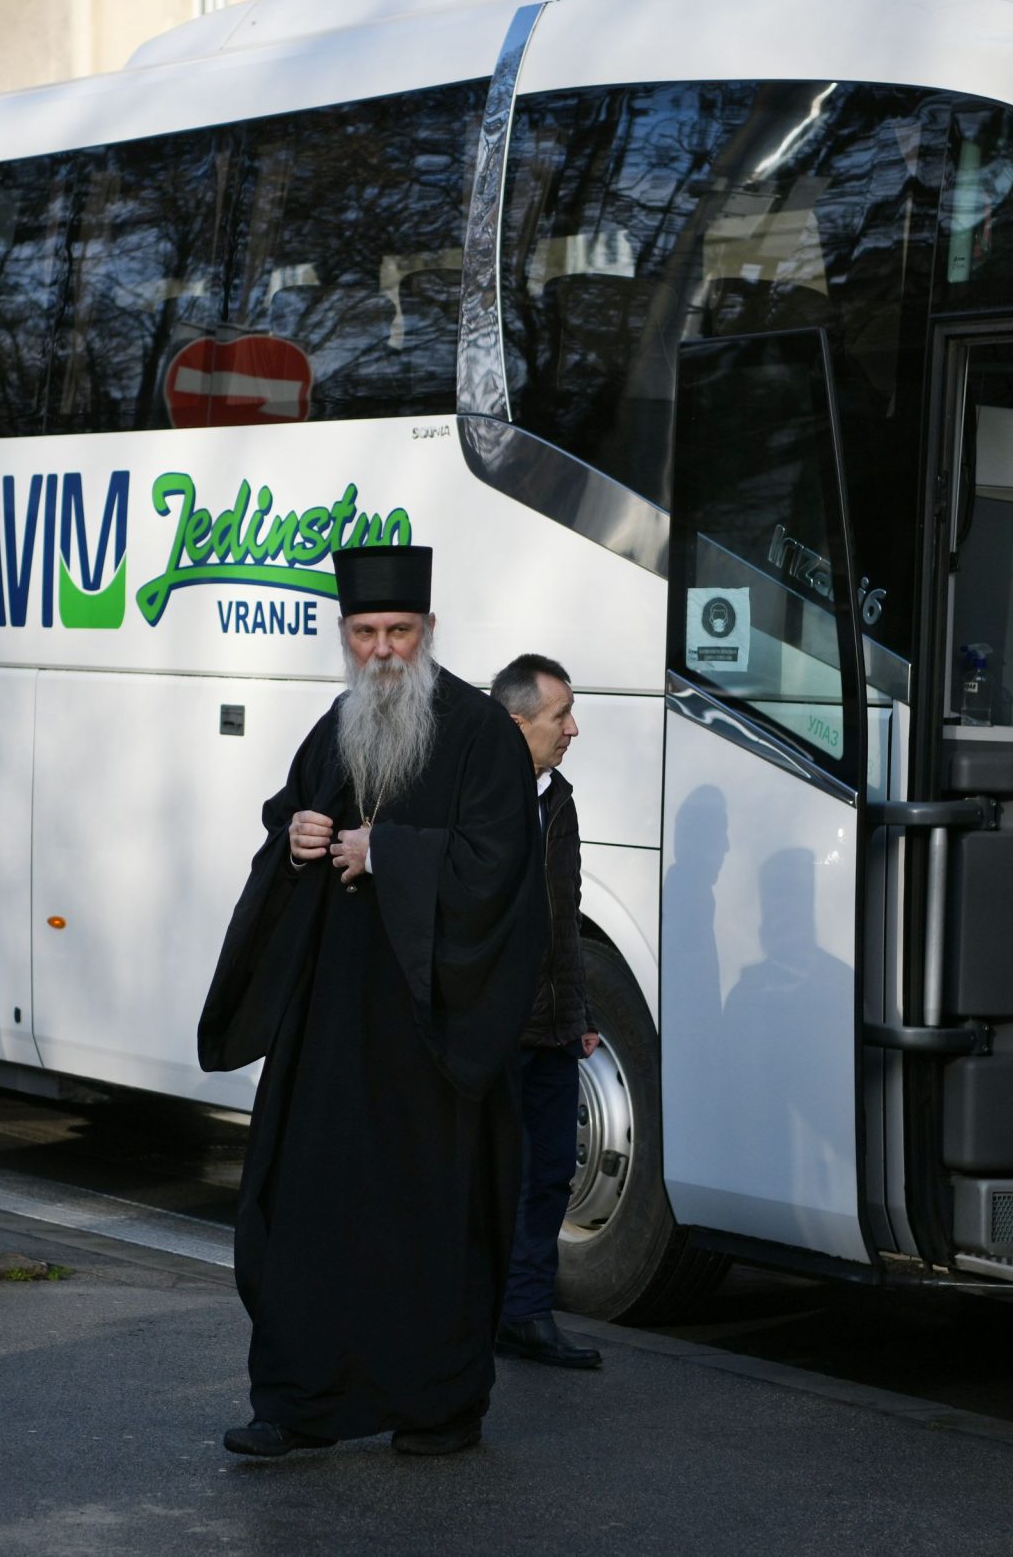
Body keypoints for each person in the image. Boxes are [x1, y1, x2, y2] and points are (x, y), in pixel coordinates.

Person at [199, 544, 546, 1459]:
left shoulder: (479, 731)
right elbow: (290, 817)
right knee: (306, 1207)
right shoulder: (336, 724)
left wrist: (386, 854)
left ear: (428, 632)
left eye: (400, 631)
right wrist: (301, 834)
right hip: (332, 1026)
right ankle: (298, 1402)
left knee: (429, 1224)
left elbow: (500, 868)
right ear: (345, 636)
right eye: (366, 633)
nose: (384, 650)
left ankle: (437, 1406)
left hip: (434, 1033)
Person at [489, 653, 602, 1372]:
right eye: (560, 715)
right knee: (493, 1178)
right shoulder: (474, 797)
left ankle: (525, 1314)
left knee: (551, 1174)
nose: (573, 728)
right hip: (497, 1031)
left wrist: (581, 1008)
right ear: (516, 720)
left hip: (555, 1028)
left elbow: (569, 915)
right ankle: (470, 1312)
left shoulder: (558, 798)